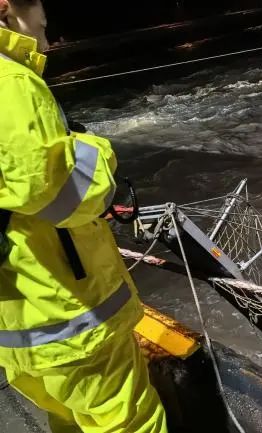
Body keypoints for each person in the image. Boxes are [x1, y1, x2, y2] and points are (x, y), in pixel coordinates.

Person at [0, 1, 168, 432]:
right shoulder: (11, 82)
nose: (46, 37)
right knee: (130, 422)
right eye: (42, 23)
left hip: (16, 324)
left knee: (71, 420)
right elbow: (60, 195)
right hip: (68, 318)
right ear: (5, 10)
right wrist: (97, 148)